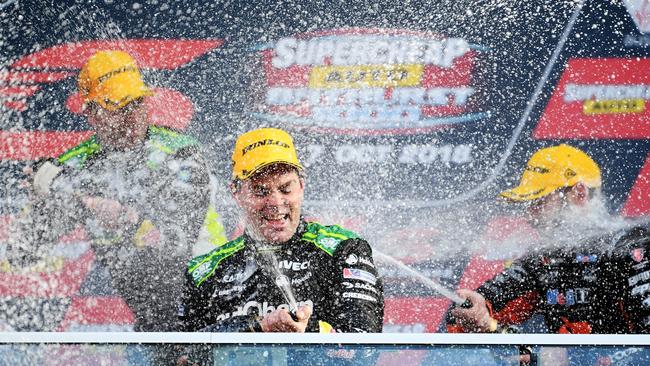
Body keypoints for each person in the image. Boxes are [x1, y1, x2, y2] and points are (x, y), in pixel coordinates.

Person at [7, 50, 225, 332]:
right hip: (153, 317)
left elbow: (175, 240)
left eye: (137, 103)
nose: (131, 116)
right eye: (118, 108)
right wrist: (45, 197)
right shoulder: (79, 165)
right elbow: (22, 251)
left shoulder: (181, 152)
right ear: (92, 115)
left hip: (211, 297)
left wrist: (79, 194)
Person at [178, 127, 384, 333]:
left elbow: (364, 347)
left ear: (301, 186)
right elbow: (178, 357)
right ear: (236, 192)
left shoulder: (343, 250)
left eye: (286, 189)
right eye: (261, 191)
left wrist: (309, 331)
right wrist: (256, 327)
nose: (276, 202)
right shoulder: (204, 273)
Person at [447, 144, 650, 336]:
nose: (530, 214)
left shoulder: (634, 247)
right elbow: (463, 315)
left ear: (579, 193)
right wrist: (475, 309)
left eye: (540, 200)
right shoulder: (542, 259)